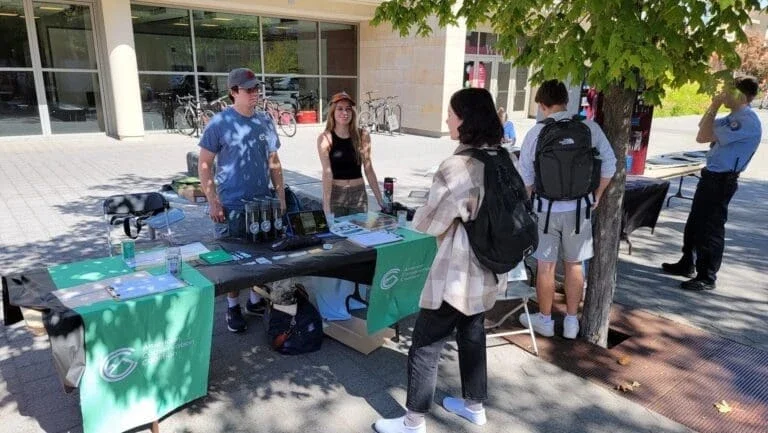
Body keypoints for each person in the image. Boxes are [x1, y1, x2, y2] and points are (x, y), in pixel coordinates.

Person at [374, 88, 513, 433]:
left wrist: (419, 211)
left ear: (465, 119)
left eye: (451, 114)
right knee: (471, 333)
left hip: (459, 272)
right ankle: (474, 406)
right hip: (492, 267)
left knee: (425, 342)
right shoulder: (501, 157)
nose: (447, 120)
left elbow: (428, 222)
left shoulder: (459, 166)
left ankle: (413, 422)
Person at [517, 79, 616, 339]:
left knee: (545, 266)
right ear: (566, 101)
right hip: (579, 211)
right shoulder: (588, 128)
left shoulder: (536, 133)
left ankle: (546, 320)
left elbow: (525, 175)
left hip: (545, 210)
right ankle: (572, 322)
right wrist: (597, 194)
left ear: (541, 104)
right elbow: (610, 164)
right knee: (575, 265)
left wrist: (527, 208)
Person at [198, 67, 289, 333]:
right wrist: (213, 201)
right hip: (232, 206)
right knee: (232, 262)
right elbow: (204, 164)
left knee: (258, 256)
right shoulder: (219, 124)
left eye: (256, 88)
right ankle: (233, 307)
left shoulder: (264, 121)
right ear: (233, 92)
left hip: (262, 204)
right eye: (249, 90)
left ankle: (254, 300)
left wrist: (280, 194)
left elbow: (274, 161)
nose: (255, 93)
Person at [662, 76, 762, 291]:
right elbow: (702, 131)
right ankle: (687, 261)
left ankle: (707, 275)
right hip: (711, 176)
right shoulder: (732, 116)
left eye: (729, 90)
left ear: (740, 95)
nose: (723, 94)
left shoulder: (746, 120)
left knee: (711, 228)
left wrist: (715, 105)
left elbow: (704, 135)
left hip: (722, 180)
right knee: (695, 223)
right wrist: (713, 107)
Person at [317, 91, 384, 217]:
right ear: (333, 112)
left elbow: (368, 169)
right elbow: (327, 173)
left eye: (348, 109)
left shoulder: (362, 135)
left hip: (358, 195)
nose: (344, 113)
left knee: (360, 234)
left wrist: (380, 200)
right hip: (336, 195)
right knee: (337, 234)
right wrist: (326, 205)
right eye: (340, 109)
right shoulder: (325, 138)